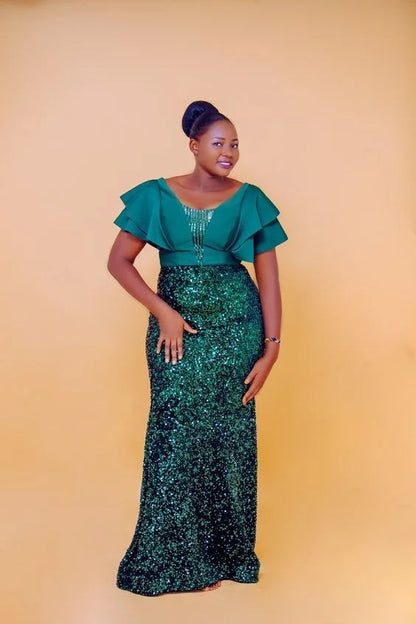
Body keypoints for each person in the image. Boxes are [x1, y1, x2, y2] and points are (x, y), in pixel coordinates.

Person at [107, 100, 288, 597]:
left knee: (227, 438)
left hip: (236, 327)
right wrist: (162, 310)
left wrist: (272, 348)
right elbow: (119, 261)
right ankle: (173, 560)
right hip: (176, 328)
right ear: (193, 145)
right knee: (175, 434)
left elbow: (269, 281)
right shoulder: (153, 195)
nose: (229, 152)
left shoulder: (251, 199)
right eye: (218, 143)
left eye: (235, 144)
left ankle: (223, 556)